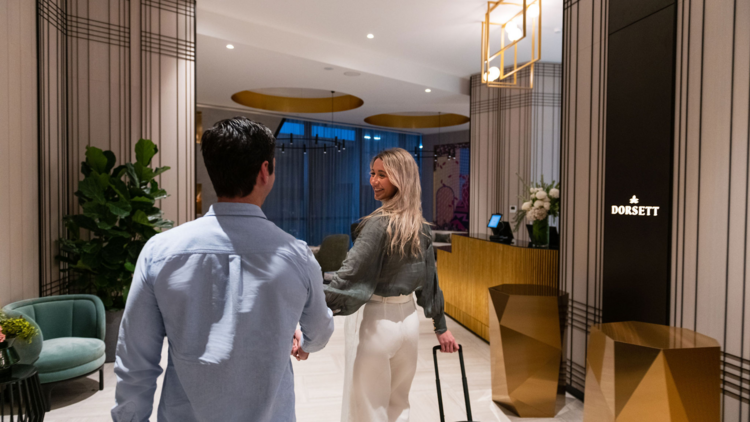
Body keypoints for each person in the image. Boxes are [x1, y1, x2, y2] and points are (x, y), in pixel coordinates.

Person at [112, 117, 334, 422]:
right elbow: (320, 330)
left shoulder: (159, 252)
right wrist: (304, 340)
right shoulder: (296, 255)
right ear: (265, 172)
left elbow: (134, 359)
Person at [322, 147, 458, 422]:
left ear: (401, 178)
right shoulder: (421, 227)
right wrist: (440, 326)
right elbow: (429, 282)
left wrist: (311, 312)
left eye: (382, 175)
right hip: (409, 324)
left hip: (377, 323)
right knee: (399, 406)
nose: (373, 180)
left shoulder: (378, 224)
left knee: (370, 410)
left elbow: (347, 276)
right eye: (373, 173)